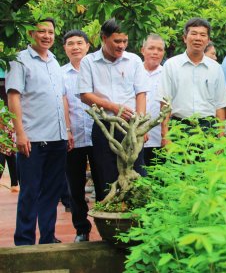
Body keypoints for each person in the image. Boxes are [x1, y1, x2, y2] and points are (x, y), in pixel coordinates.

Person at [6, 18, 71, 245]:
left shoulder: (54, 61)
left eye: (51, 32)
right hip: (33, 139)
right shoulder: (19, 60)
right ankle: (23, 241)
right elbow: (13, 96)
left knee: (52, 193)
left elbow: (61, 97)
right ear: (31, 33)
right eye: (41, 31)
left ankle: (47, 237)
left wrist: (68, 130)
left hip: (58, 138)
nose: (47, 36)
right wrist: (20, 133)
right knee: (30, 192)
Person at [78, 18, 149, 201]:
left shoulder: (133, 60)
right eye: (117, 41)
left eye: (125, 41)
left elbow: (141, 93)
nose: (122, 46)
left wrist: (141, 124)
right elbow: (85, 94)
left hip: (130, 127)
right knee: (106, 175)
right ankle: (110, 222)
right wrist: (112, 107)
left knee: (135, 172)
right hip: (104, 126)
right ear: (104, 38)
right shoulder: (89, 62)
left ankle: (136, 218)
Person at [157, 18, 226, 145]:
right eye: (194, 34)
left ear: (208, 40)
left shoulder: (216, 68)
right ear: (185, 38)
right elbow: (164, 104)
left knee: (208, 165)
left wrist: (221, 137)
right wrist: (165, 135)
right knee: (178, 164)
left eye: (202, 35)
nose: (198, 38)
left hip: (208, 128)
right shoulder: (171, 65)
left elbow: (220, 105)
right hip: (179, 127)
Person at [61, 29, 99, 242]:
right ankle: (81, 229)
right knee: (75, 187)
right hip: (73, 137)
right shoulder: (60, 73)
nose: (75, 47)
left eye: (79, 43)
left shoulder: (97, 69)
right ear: (65, 48)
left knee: (103, 183)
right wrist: (67, 131)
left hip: (98, 137)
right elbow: (61, 103)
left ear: (87, 46)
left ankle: (106, 226)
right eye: (70, 44)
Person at [141, 34, 166, 165]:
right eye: (151, 48)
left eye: (159, 49)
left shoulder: (167, 74)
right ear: (142, 50)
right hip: (136, 137)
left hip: (160, 138)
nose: (155, 52)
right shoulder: (134, 72)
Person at [0, 114, 19, 193]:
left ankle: (14, 184)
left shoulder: (12, 117)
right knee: (1, 162)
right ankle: (14, 184)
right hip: (2, 142)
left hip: (10, 141)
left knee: (13, 164)